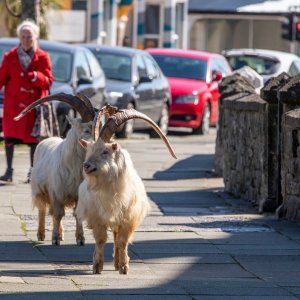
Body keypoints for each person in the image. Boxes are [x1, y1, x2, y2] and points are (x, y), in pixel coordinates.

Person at [0, 19, 53, 183]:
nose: (26, 40)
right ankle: (9, 171)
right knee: (9, 138)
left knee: (33, 142)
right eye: (23, 36)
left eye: (29, 36)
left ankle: (33, 172)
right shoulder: (10, 57)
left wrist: (37, 77)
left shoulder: (43, 57)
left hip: (33, 106)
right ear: (19, 38)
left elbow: (49, 81)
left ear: (35, 37)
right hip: (13, 106)